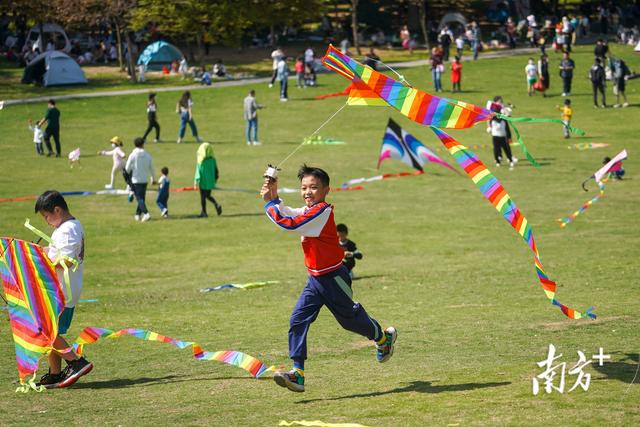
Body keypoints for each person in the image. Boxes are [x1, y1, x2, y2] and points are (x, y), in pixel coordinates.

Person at [261, 165, 396, 393]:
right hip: (314, 280)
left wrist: (269, 203)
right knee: (298, 320)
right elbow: (291, 213)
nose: (307, 192)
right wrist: (273, 196)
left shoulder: (322, 211)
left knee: (349, 320)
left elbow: (289, 223)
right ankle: (298, 374)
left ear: (326, 190)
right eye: (304, 187)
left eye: (313, 187)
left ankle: (383, 339)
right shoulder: (308, 210)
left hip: (334, 278)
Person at [34, 191, 93, 388]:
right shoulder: (66, 227)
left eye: (46, 216)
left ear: (57, 210)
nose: (46, 221)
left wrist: (40, 262)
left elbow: (66, 261)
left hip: (61, 291)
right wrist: (37, 252)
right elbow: (56, 252)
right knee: (53, 332)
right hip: (61, 290)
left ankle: (76, 362)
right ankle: (55, 373)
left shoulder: (68, 229)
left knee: (46, 330)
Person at [125, 137, 155, 222]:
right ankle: (137, 214)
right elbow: (152, 168)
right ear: (142, 144)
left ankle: (146, 213)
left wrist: (127, 180)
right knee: (142, 198)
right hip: (145, 180)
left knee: (139, 199)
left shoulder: (132, 155)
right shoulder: (148, 155)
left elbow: (127, 169)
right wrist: (153, 178)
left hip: (135, 180)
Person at [194, 142, 222, 217]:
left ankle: (204, 212)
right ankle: (216, 204)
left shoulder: (201, 161)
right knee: (208, 195)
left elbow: (198, 172)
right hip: (210, 182)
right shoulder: (213, 160)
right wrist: (215, 180)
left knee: (203, 197)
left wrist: (196, 182)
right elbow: (216, 171)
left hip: (203, 182)